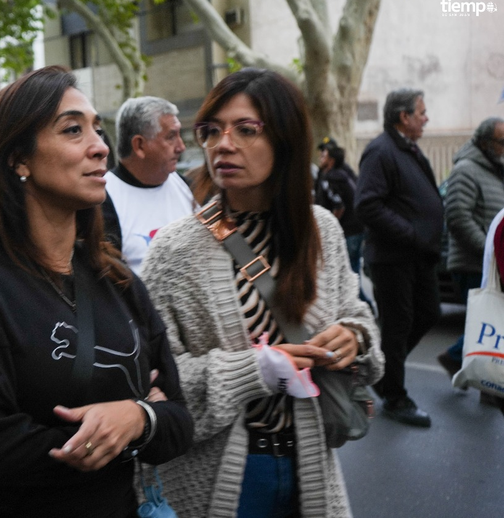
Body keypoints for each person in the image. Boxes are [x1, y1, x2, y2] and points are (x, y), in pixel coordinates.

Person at [0, 65, 193, 517]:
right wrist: (131, 422)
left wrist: (137, 419)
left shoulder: (118, 280)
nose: (100, 147)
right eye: (73, 130)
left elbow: (179, 423)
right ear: (18, 159)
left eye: (98, 130)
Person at [142, 68, 383, 518]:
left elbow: (358, 315)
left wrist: (355, 336)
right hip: (218, 473)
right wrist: (257, 369)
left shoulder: (322, 232)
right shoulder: (173, 249)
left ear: (285, 140)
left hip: (311, 462)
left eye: (246, 130)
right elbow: (157, 382)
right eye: (211, 131)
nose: (223, 144)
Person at [355, 88, 443, 428]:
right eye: (421, 112)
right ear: (403, 117)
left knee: (429, 313)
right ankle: (394, 395)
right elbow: (367, 205)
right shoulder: (380, 151)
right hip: (394, 258)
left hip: (417, 258)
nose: (426, 117)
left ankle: (382, 371)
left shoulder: (407, 148)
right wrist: (411, 233)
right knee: (397, 325)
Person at [437, 117, 504, 380]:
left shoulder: (494, 169)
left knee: (489, 323)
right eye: (502, 141)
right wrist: (490, 252)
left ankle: (479, 375)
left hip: (491, 263)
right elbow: (457, 218)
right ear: (486, 143)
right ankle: (456, 358)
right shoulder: (466, 170)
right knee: (488, 322)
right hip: (473, 264)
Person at [100, 96, 195, 273]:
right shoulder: (103, 201)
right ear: (139, 146)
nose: (181, 147)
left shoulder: (190, 189)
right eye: (171, 137)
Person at [315, 137, 369, 304]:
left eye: (323, 155)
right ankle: (364, 304)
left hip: (349, 231)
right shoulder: (345, 172)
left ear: (331, 159)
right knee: (352, 272)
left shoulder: (332, 177)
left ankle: (362, 305)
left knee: (348, 275)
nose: (320, 158)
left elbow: (339, 206)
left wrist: (329, 226)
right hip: (357, 229)